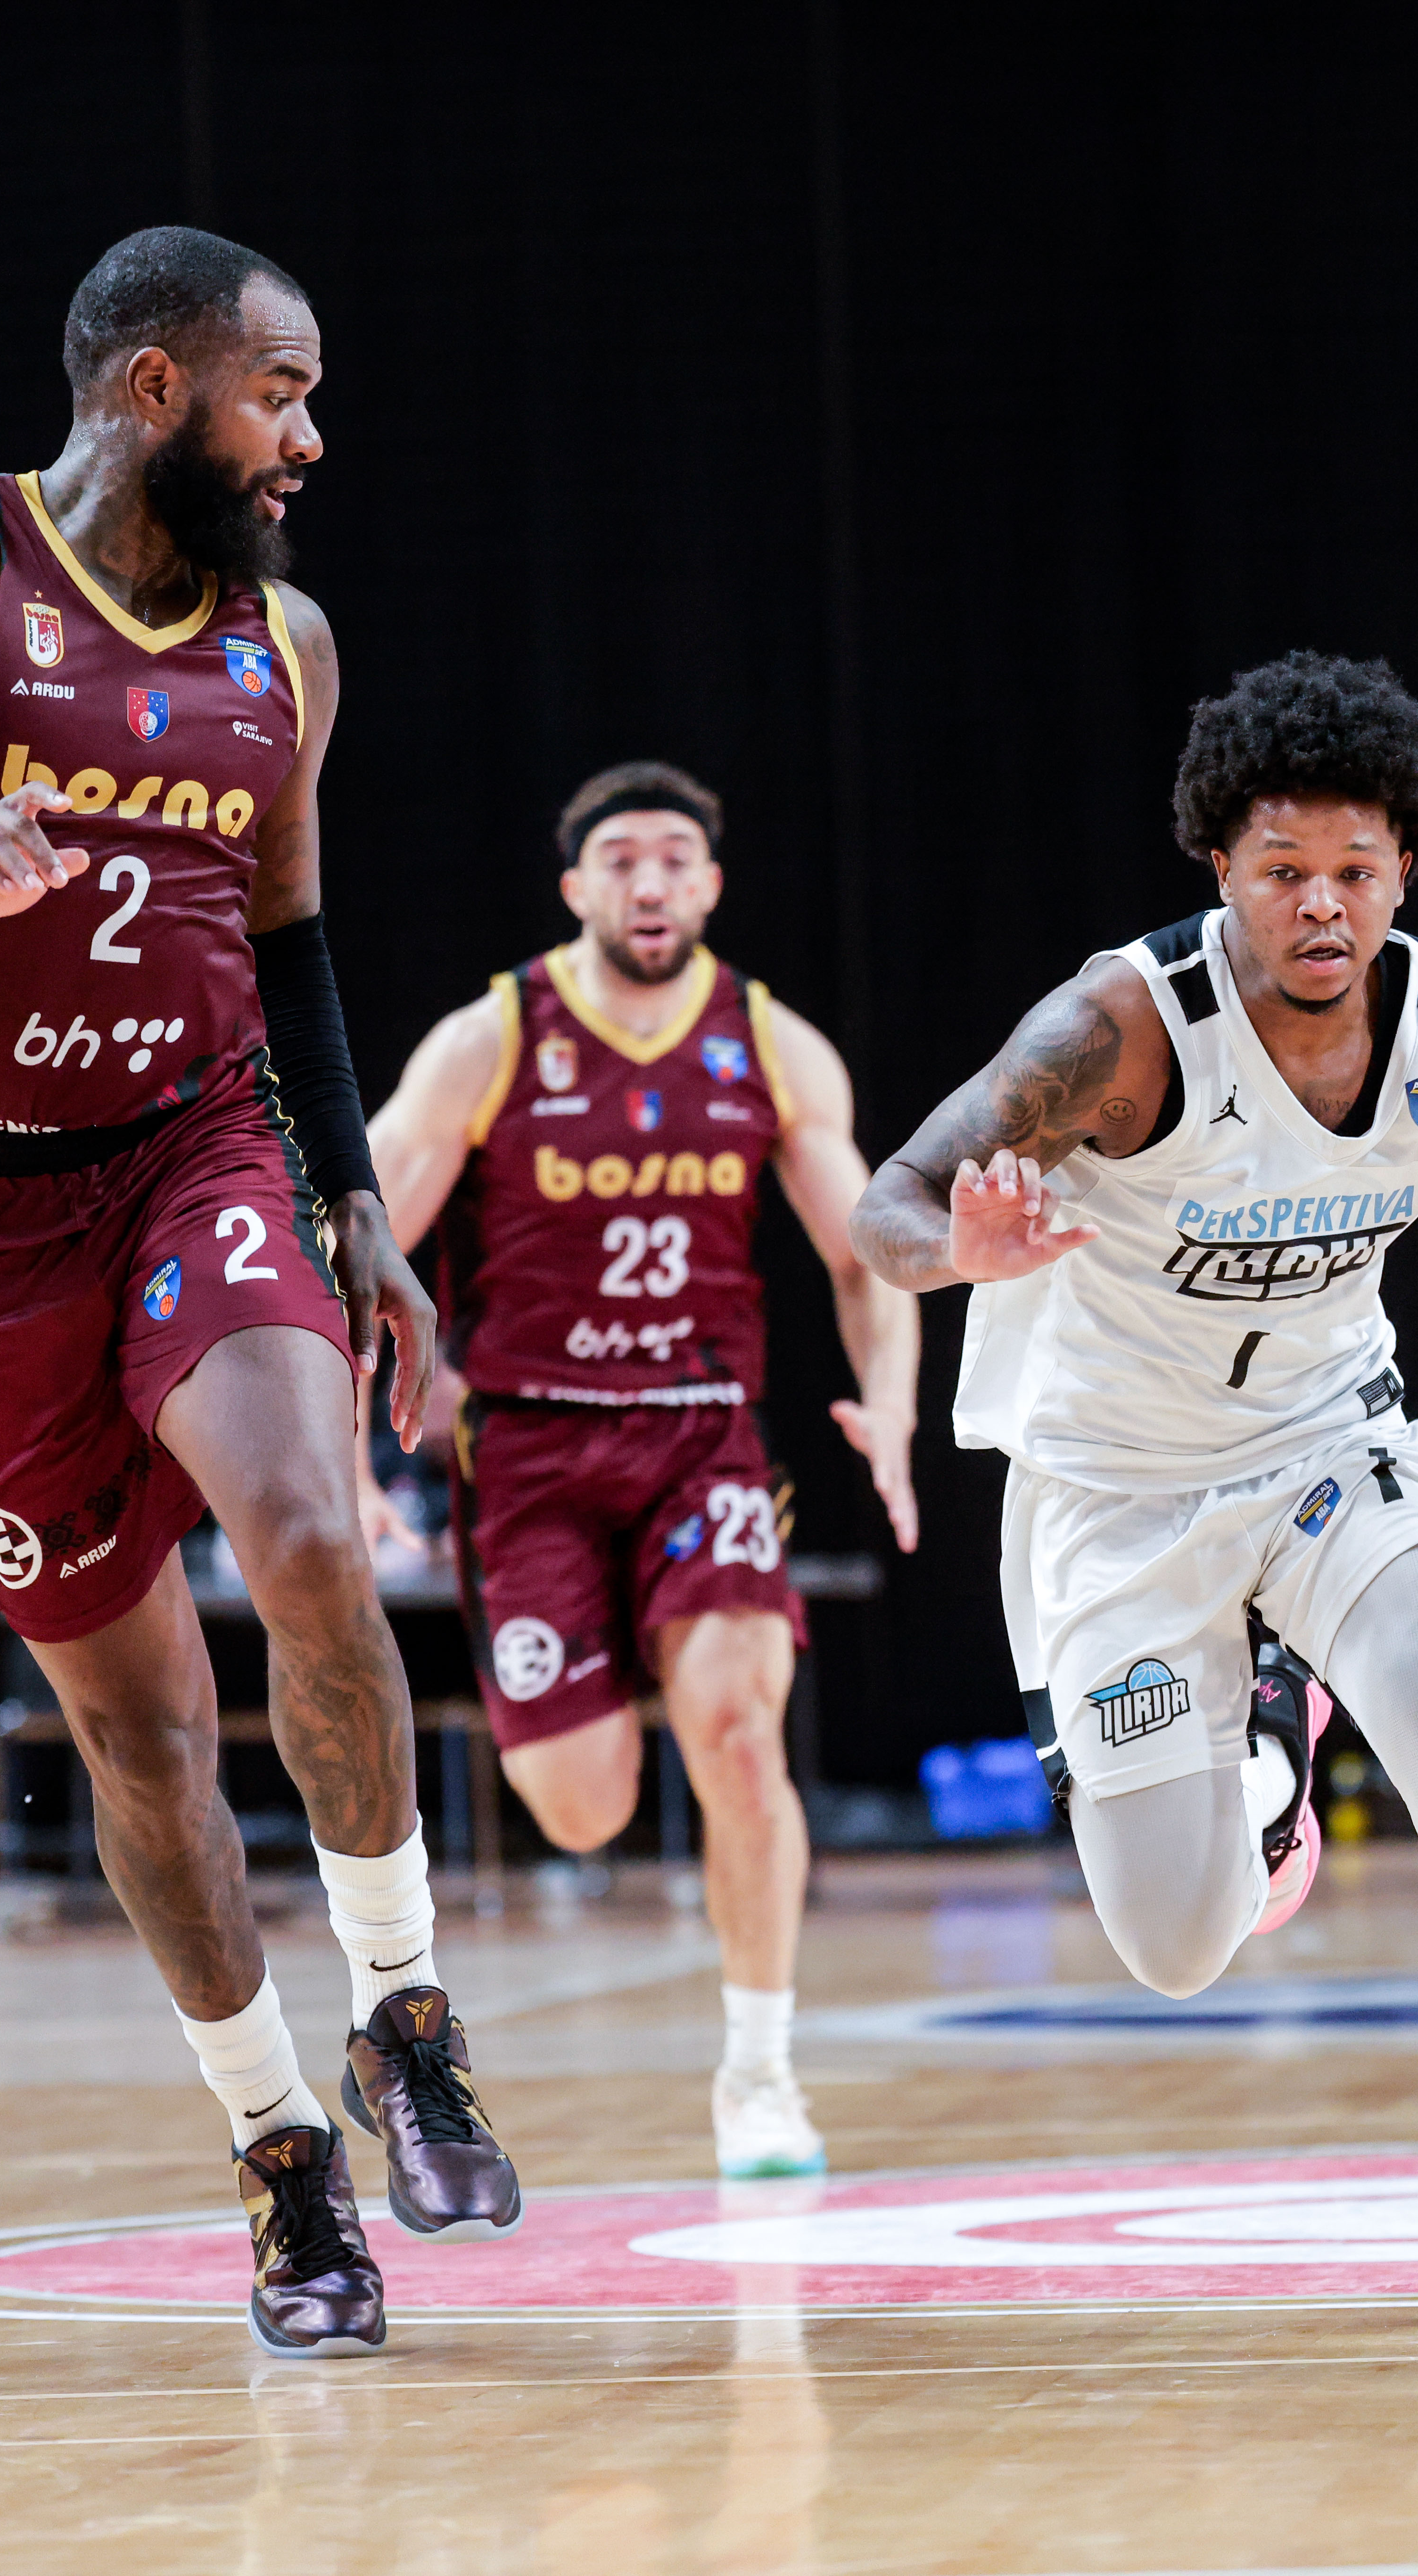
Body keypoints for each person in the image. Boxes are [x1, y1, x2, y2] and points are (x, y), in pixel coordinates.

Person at [0, 227, 508, 2357]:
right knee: (137, 1730)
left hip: (193, 1149)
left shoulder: (286, 641)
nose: (308, 438)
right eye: (279, 393)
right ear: (156, 386)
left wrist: (356, 1201)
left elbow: (289, 938)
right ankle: (279, 2148)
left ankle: (405, 2010)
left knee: (308, 1532)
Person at [850, 650, 1418, 2328]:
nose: (1322, 906)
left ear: (1406, 870)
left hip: (1330, 1454)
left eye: (1356, 872)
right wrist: (963, 1251)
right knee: (1175, 1951)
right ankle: (1268, 1756)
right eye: (1284, 869)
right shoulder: (1116, 1031)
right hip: (1115, 1492)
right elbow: (890, 1204)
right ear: (1220, 865)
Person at [366, 760, 919, 2178]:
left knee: (738, 1731)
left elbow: (870, 1251)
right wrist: (342, 1442)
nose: (652, 881)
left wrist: (893, 1405)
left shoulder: (772, 1044)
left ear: (712, 886)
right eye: (623, 859)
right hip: (531, 1447)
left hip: (700, 1431)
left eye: (676, 857)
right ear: (578, 888)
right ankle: (599, 1683)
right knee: (583, 1806)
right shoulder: (492, 1038)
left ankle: (762, 2074)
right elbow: (353, 1247)